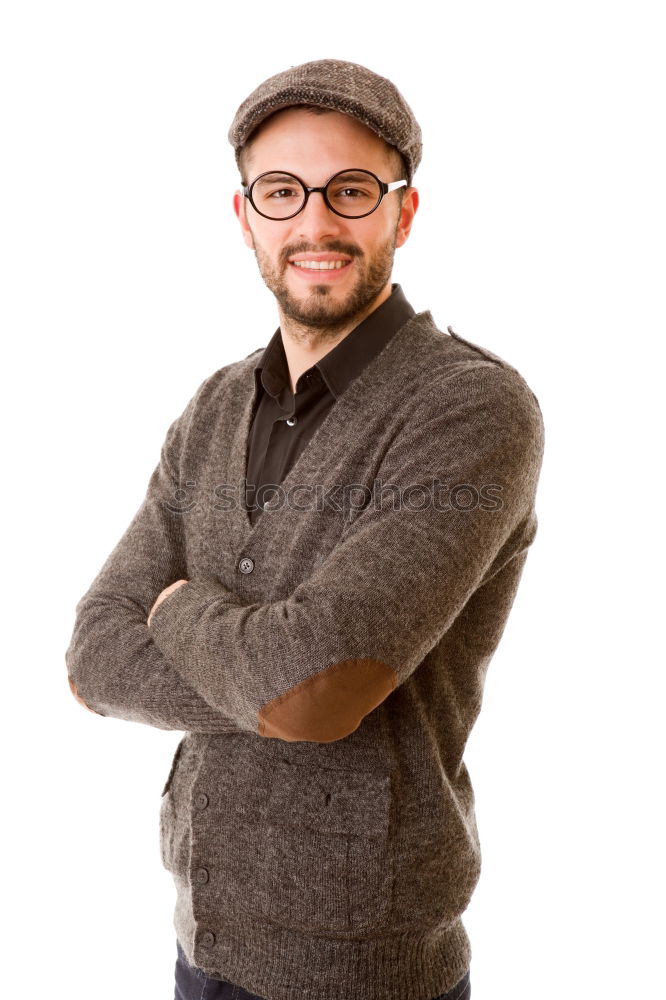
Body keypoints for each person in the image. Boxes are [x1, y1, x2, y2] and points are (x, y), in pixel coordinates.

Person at [66, 58, 545, 1000]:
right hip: (200, 947)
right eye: (283, 193)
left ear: (403, 213)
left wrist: (173, 608)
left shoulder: (470, 410)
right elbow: (91, 658)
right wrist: (268, 667)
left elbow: (319, 691)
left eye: (351, 190)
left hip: (368, 969)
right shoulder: (213, 407)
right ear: (245, 216)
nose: (315, 223)